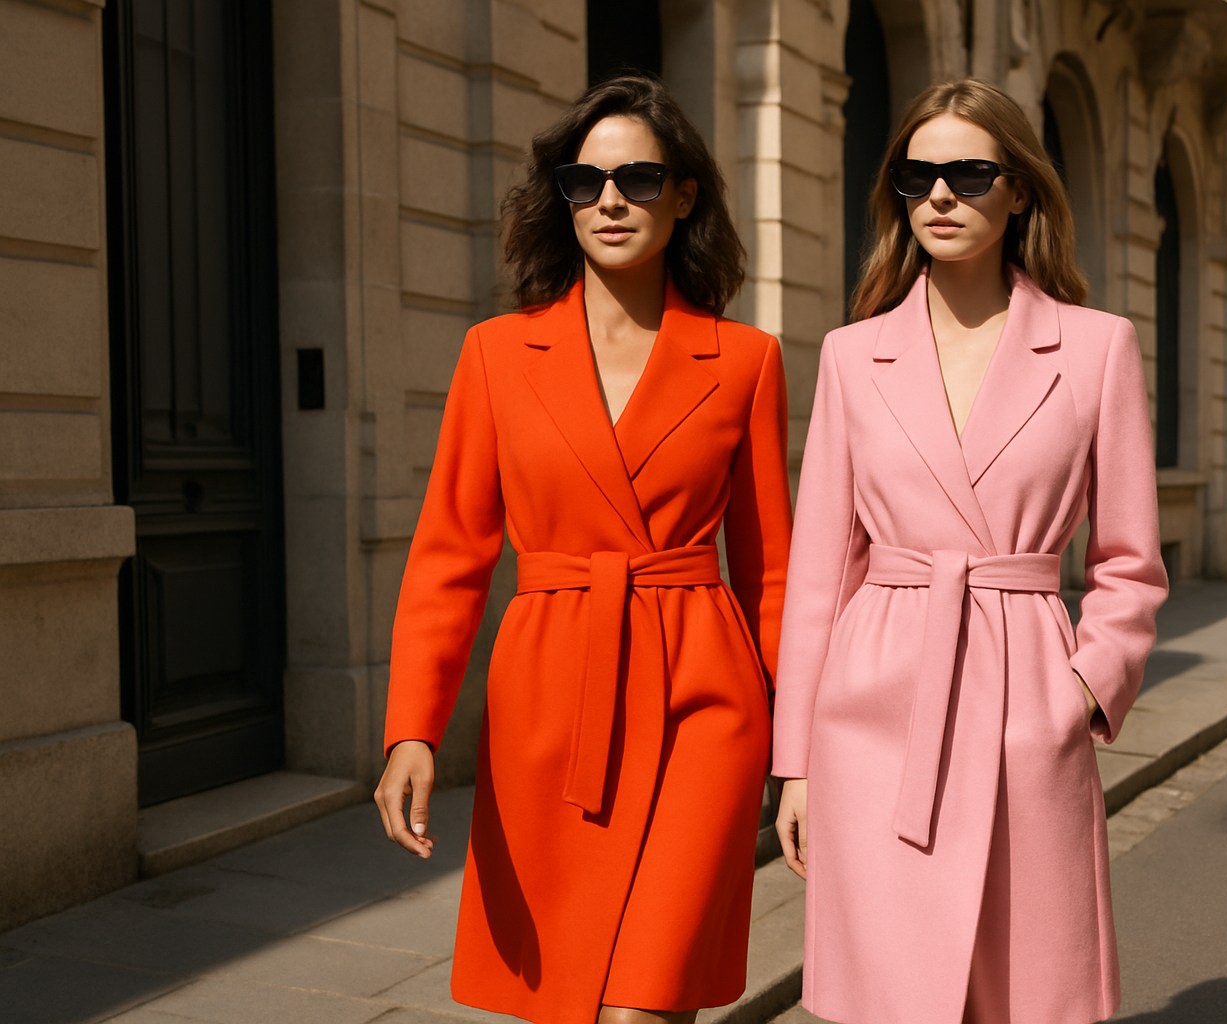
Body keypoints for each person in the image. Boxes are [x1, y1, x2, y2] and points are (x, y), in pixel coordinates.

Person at [374, 75, 793, 1024]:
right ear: (560, 199)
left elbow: (771, 569)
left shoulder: (744, 361)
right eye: (584, 181)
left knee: (646, 1003)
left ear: (684, 194)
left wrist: (797, 747)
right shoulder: (494, 355)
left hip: (705, 700)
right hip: (550, 700)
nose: (609, 201)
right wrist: (412, 728)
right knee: (570, 998)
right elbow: (450, 552)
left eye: (639, 179)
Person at [772, 78, 1169, 1024]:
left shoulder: (1095, 349)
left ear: (1020, 189)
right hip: (874, 710)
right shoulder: (849, 354)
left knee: (1025, 990)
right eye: (918, 176)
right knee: (891, 994)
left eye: (969, 172)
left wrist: (1075, 691)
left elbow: (1129, 562)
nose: (941, 195)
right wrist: (796, 760)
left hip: (1023, 693)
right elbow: (822, 571)